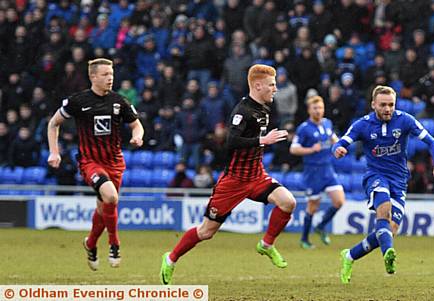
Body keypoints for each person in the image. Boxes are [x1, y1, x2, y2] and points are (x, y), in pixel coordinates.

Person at [160, 64, 297, 285]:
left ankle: (267, 244)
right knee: (206, 232)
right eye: (272, 85)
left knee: (288, 202)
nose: (275, 89)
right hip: (233, 182)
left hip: (257, 176)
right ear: (258, 85)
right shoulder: (242, 111)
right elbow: (230, 142)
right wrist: (263, 140)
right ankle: (171, 257)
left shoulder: (264, 109)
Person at [333, 85, 434, 284]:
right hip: (376, 176)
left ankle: (350, 256)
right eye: (383, 105)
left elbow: (432, 142)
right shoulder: (362, 125)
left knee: (391, 228)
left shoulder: (405, 120)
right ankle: (388, 252)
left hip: (399, 180)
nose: (388, 109)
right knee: (384, 209)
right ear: (373, 105)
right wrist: (338, 150)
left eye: (391, 104)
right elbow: (341, 142)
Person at [47, 58, 144, 271]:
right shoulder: (78, 101)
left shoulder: (120, 101)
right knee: (111, 197)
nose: (110, 78)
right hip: (90, 162)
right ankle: (114, 244)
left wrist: (138, 137)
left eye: (111, 74)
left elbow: (137, 125)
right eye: (105, 75)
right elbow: (54, 123)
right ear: (93, 77)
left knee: (104, 207)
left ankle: (90, 243)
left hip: (115, 162)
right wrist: (54, 152)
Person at [290, 96, 345, 249]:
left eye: (320, 108)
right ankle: (304, 239)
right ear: (309, 110)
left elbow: (333, 138)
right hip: (312, 172)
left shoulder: (327, 123)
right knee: (313, 206)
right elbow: (293, 149)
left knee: (339, 201)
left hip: (328, 169)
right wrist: (310, 149)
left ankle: (320, 226)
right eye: (315, 108)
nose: (318, 111)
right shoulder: (304, 128)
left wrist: (340, 145)